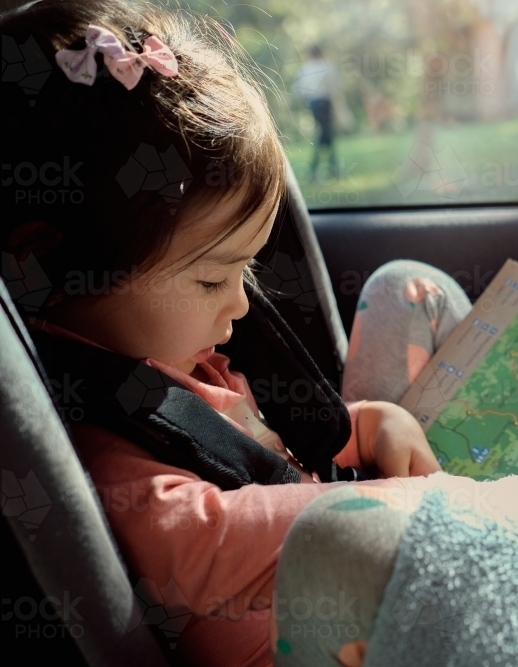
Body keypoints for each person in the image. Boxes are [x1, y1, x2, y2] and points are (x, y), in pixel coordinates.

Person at [0, 2, 469, 666]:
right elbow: (265, 536)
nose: (241, 306)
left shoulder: (189, 359)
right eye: (212, 277)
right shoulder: (110, 459)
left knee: (406, 289)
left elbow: (281, 449)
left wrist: (367, 425)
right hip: (314, 631)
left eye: (245, 270)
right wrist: (442, 505)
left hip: (350, 520)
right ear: (49, 266)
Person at [293, 44, 341, 181]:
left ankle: (326, 169)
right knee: (325, 133)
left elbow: (298, 89)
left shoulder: (305, 68)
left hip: (313, 103)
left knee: (325, 133)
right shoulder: (327, 66)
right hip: (325, 102)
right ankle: (325, 169)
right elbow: (335, 86)